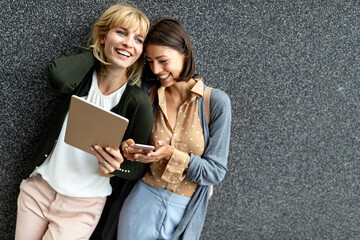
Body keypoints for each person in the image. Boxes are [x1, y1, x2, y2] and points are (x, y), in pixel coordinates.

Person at [15, 3, 153, 240]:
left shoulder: (137, 102)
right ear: (102, 35)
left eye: (138, 39)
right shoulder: (81, 79)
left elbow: (138, 167)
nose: (129, 43)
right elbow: (58, 76)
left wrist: (117, 165)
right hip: (39, 189)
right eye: (121, 32)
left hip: (81, 207)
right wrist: (98, 52)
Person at [119, 18, 232, 240]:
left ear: (185, 55)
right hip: (142, 200)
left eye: (163, 60)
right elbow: (126, 140)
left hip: (185, 209)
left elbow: (216, 171)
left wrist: (173, 155)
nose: (156, 69)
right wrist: (128, 148)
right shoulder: (147, 94)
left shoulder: (215, 102)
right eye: (150, 61)